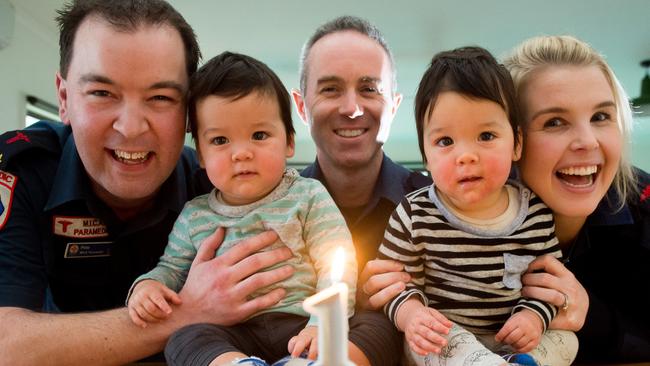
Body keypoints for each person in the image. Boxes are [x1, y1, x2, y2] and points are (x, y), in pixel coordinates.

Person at [0, 1, 296, 364]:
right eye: (102, 93)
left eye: (160, 98)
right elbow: (6, 344)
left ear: (189, 113)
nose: (131, 127)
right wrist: (187, 312)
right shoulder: (21, 171)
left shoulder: (214, 185)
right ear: (64, 98)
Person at [127, 51, 358, 366]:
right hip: (229, 333)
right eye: (220, 140)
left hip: (299, 323)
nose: (241, 153)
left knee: (366, 325)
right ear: (202, 157)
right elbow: (172, 268)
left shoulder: (307, 195)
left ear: (289, 141)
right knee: (182, 338)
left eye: (259, 135)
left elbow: (337, 262)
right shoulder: (195, 216)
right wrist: (150, 285)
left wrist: (320, 324)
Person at [378, 46, 577, 366]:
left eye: (486, 135)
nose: (466, 156)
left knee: (567, 339)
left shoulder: (536, 215)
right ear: (426, 156)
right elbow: (395, 287)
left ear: (517, 143)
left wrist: (533, 318)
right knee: (426, 341)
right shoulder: (415, 214)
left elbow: (548, 290)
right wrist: (412, 315)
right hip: (447, 340)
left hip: (511, 338)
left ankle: (521, 361)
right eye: (445, 142)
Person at [503, 35, 650, 362]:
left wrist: (591, 316)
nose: (587, 141)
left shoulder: (645, 210)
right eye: (554, 122)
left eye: (601, 117)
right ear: (511, 141)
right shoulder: (456, 220)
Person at [292, 14, 430, 314]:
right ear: (302, 107)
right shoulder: (268, 212)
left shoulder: (438, 206)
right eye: (330, 89)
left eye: (369, 89)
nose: (352, 109)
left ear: (393, 107)